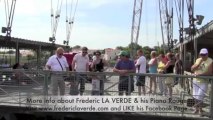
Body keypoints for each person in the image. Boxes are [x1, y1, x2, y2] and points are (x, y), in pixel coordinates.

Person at [191, 48, 212, 114]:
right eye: (201, 54)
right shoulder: (198, 60)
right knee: (195, 96)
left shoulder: (210, 61)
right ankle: (197, 109)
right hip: (195, 80)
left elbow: (210, 73)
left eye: (204, 54)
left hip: (203, 82)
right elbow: (192, 69)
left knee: (200, 96)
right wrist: (198, 64)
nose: (202, 56)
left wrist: (200, 74)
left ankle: (199, 109)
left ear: (207, 54)